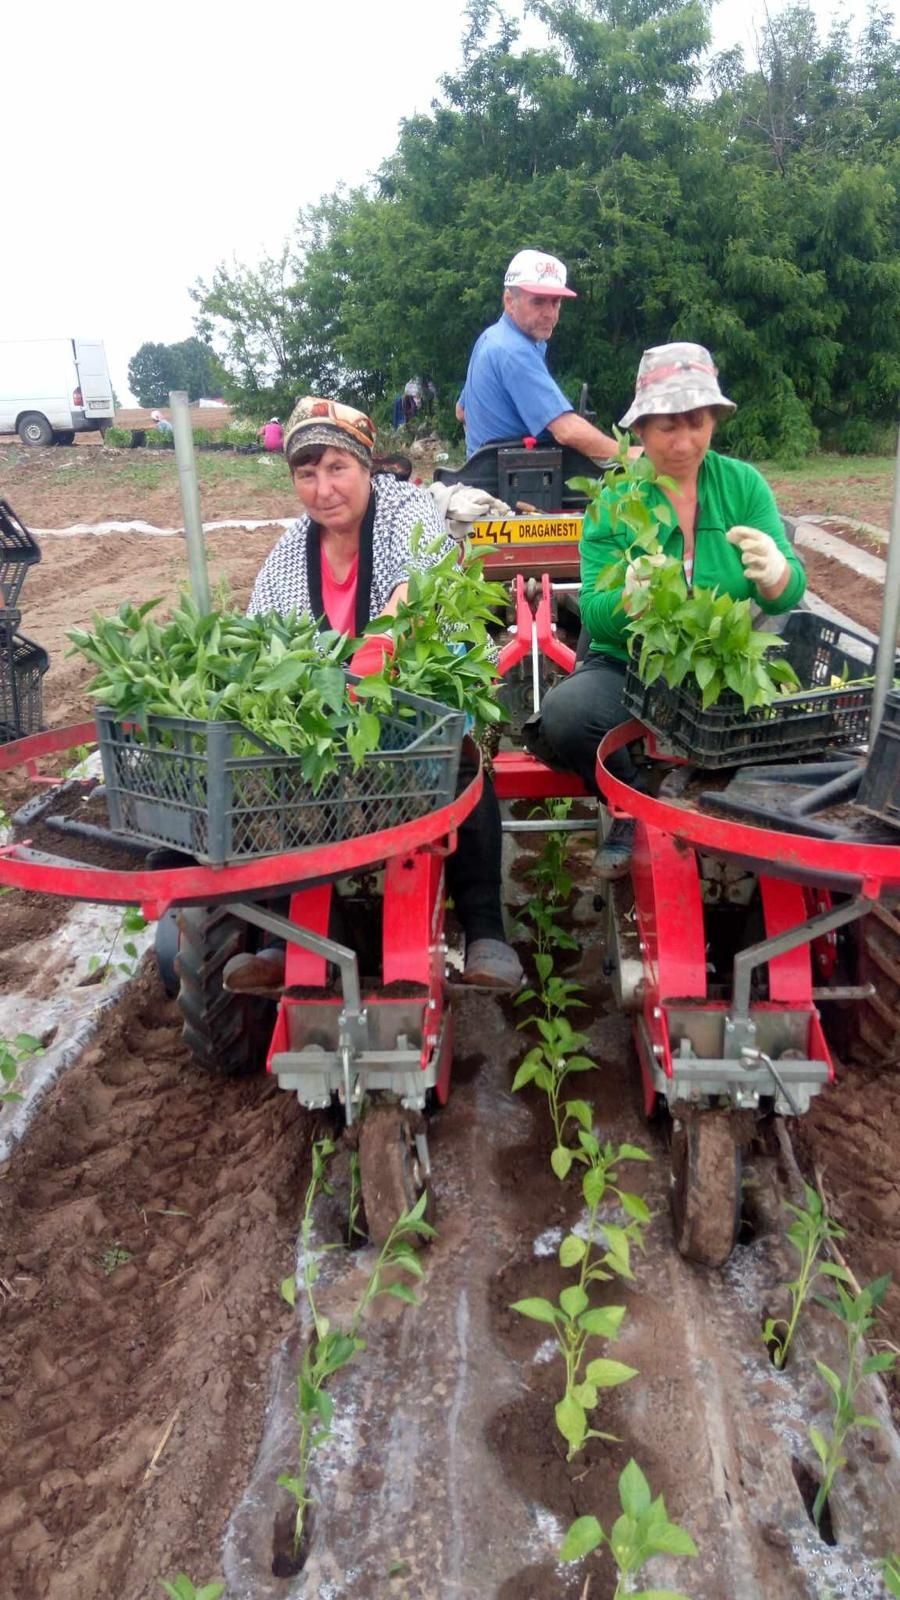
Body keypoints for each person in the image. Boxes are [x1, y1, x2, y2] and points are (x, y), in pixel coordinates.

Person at [223, 395, 524, 995]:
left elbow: (424, 580)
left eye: (337, 468)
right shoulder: (289, 553)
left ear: (366, 467)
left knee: (454, 747)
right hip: (337, 709)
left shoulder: (405, 508)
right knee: (286, 759)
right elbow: (262, 639)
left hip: (417, 687)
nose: (323, 488)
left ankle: (486, 927)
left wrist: (383, 639)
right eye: (306, 474)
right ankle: (295, 937)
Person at [527, 341, 807, 878]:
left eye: (695, 423)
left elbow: (788, 593)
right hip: (628, 666)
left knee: (785, 734)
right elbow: (598, 615)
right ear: (639, 431)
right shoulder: (616, 500)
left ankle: (719, 812)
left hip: (716, 658)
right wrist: (630, 594)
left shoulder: (742, 485)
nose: (682, 442)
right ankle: (632, 804)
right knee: (567, 716)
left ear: (714, 420)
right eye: (665, 427)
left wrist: (778, 575)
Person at [456, 250, 622, 460]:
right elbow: (567, 431)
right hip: (512, 483)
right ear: (509, 301)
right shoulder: (514, 351)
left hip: (489, 474)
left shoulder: (491, 338)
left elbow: (461, 412)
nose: (550, 313)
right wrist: (631, 456)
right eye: (538, 302)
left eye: (555, 302)